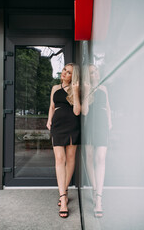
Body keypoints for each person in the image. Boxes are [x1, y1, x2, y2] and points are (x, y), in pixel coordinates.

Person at [47, 63, 81, 218]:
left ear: (73, 76)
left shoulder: (77, 89)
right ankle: (63, 197)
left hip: (72, 125)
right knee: (59, 159)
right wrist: (49, 121)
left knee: (70, 158)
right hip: (57, 125)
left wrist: (74, 90)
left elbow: (77, 111)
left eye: (69, 72)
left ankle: (64, 191)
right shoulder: (55, 88)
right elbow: (52, 106)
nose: (65, 73)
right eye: (64, 70)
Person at [82, 64, 112, 218]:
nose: (95, 74)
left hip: (102, 126)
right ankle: (95, 189)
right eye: (91, 73)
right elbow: (85, 111)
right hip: (90, 125)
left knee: (100, 159)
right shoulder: (86, 90)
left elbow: (107, 108)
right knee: (89, 158)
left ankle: (98, 198)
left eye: (95, 71)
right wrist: (87, 92)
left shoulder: (104, 88)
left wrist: (110, 124)